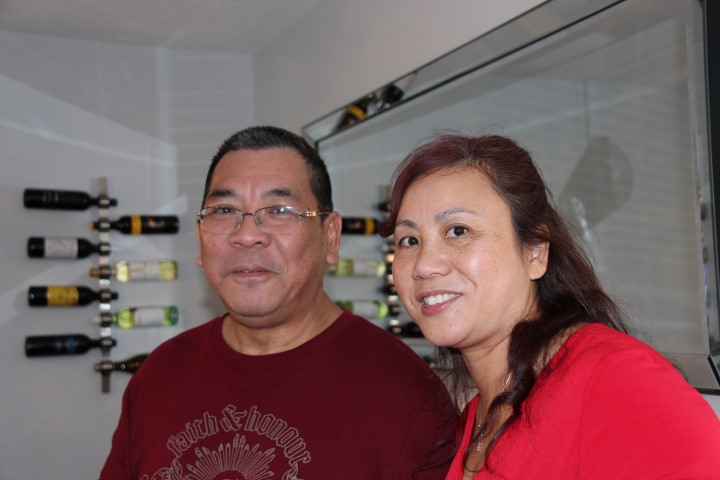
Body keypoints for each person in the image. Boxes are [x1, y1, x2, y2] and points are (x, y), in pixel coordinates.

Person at [100, 126, 459, 479]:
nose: (247, 235)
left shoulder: (406, 398)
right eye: (224, 210)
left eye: (280, 210)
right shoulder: (159, 375)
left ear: (330, 237)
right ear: (200, 236)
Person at [378, 132, 720, 479]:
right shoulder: (478, 417)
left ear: (536, 252)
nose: (424, 265)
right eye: (409, 240)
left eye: (458, 231)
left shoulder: (611, 376)